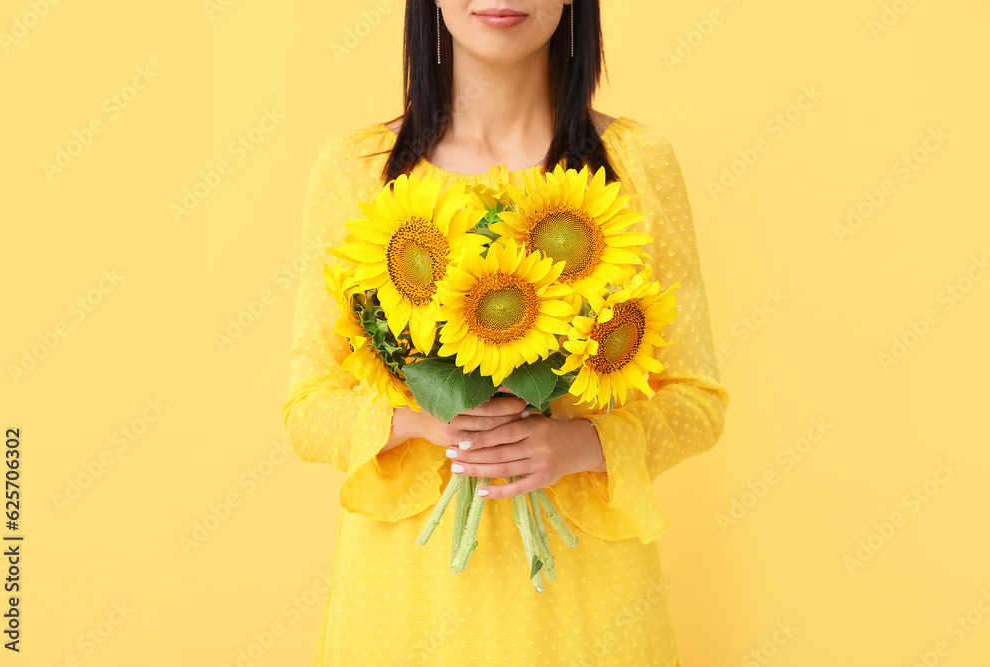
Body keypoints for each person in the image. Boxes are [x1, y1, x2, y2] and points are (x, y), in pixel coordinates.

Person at [281, 1, 729, 664]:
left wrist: (580, 442)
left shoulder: (635, 163)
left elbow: (698, 401)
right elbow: (308, 406)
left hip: (589, 598)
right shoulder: (358, 169)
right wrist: (431, 418)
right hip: (405, 598)